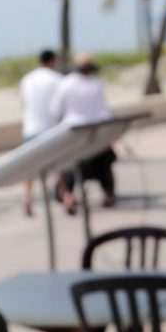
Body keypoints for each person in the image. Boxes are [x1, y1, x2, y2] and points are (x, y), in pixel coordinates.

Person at [49, 51, 117, 213]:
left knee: (69, 167)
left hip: (73, 133)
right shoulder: (95, 84)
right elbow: (104, 112)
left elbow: (55, 110)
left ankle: (67, 197)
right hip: (95, 133)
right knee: (104, 167)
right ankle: (107, 195)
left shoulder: (65, 84)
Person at [17, 48, 64, 216]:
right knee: (57, 166)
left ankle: (27, 198)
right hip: (50, 128)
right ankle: (65, 196)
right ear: (52, 61)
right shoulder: (57, 79)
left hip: (30, 128)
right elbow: (60, 107)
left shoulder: (27, 79)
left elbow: (24, 103)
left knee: (29, 168)